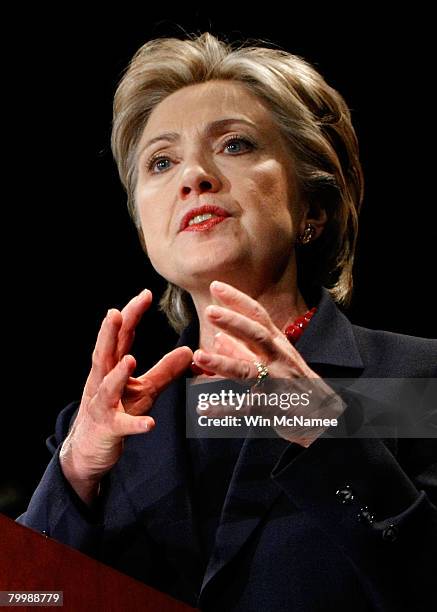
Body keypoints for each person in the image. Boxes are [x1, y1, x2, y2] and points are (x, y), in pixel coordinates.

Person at [17, 32, 437, 611]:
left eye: (235, 145)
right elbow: (26, 597)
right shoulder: (97, 434)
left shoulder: (416, 382)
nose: (194, 176)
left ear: (311, 208)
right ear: (144, 228)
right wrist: (76, 475)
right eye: (161, 162)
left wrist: (326, 433)